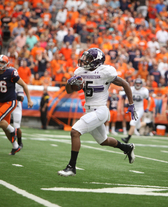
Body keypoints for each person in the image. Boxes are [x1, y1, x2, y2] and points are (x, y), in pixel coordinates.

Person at [58, 48, 137, 177]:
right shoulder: (80, 71)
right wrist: (69, 83)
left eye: (88, 58)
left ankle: (71, 167)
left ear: (96, 61)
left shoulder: (105, 72)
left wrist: (131, 104)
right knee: (103, 141)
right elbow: (69, 91)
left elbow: (125, 84)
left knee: (75, 132)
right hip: (89, 110)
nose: (85, 60)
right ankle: (127, 148)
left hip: (100, 110)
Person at [0, 55, 33, 155]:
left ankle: (12, 130)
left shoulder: (11, 73)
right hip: (2, 102)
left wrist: (29, 100)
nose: (0, 64)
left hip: (11, 102)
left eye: (2, 62)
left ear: (6, 64)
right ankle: (15, 146)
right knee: (4, 128)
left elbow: (24, 85)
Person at [121, 78, 150, 143]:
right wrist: (126, 103)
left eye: (139, 83)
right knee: (137, 125)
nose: (138, 84)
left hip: (140, 109)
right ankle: (149, 124)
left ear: (141, 84)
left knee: (132, 122)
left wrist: (147, 107)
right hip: (133, 109)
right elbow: (127, 97)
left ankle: (127, 139)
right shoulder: (131, 89)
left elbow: (149, 100)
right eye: (137, 83)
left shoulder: (144, 91)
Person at [11, 83, 24, 148]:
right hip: (7, 105)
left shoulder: (18, 84)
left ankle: (19, 142)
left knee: (16, 125)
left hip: (16, 106)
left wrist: (11, 95)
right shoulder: (4, 80)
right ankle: (14, 142)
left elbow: (21, 98)